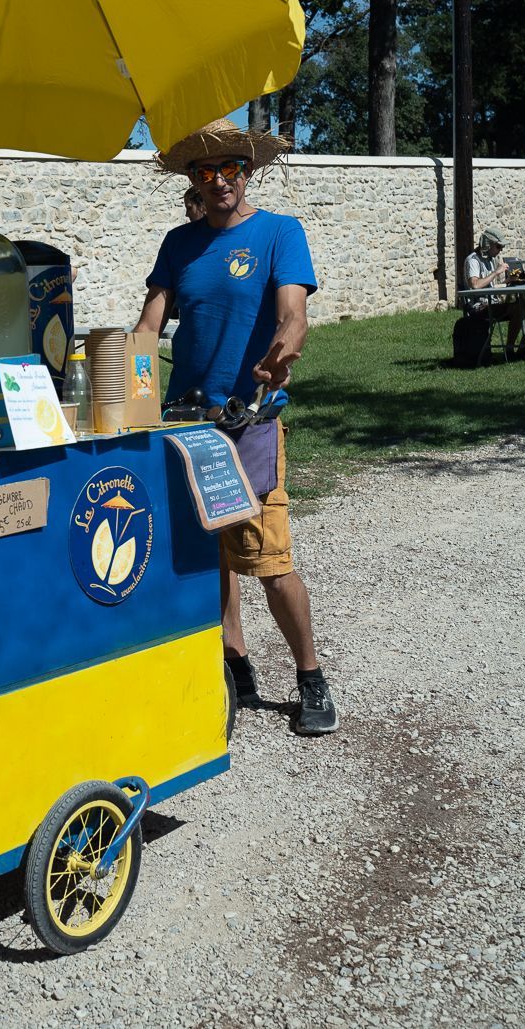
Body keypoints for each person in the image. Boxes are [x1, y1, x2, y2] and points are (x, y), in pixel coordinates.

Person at [135, 117, 338, 735]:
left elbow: (294, 312)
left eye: (231, 169)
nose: (220, 180)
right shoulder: (179, 244)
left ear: (248, 172)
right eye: (207, 171)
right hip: (186, 423)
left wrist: (284, 351)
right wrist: (123, 385)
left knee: (268, 558)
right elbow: (149, 327)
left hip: (250, 420)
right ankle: (235, 664)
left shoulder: (280, 232)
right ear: (194, 180)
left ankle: (310, 678)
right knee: (207, 554)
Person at [464, 226, 525, 358]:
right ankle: (509, 350)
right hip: (478, 307)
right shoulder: (473, 260)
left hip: (493, 303)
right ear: (488, 244)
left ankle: (523, 347)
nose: (501, 250)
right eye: (499, 246)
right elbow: (475, 285)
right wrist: (496, 272)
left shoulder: (490, 260)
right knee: (519, 308)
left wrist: (509, 280)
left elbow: (491, 286)